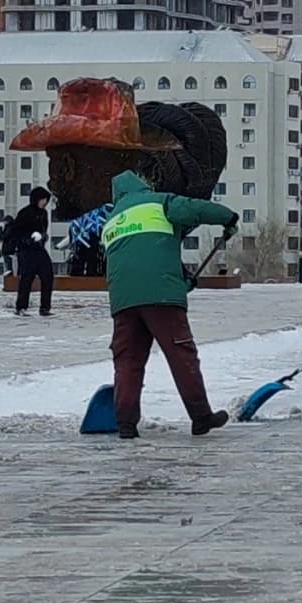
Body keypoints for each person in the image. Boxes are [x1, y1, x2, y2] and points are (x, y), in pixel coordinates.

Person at [102, 170, 236, 440]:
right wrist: (227, 217)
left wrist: (182, 279)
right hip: (161, 297)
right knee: (181, 355)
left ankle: (125, 424)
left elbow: (145, 255)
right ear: (143, 186)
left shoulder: (112, 222)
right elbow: (194, 209)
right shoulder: (159, 203)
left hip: (123, 301)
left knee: (128, 361)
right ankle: (201, 417)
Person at [0, 187, 56, 316]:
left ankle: (45, 307)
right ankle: (21, 307)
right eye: (42, 200)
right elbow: (16, 231)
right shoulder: (25, 213)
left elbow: (43, 230)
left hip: (39, 249)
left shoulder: (44, 214)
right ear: (36, 199)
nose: (44, 203)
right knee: (27, 279)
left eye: (46, 200)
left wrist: (43, 237)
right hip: (26, 251)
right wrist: (27, 240)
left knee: (48, 276)